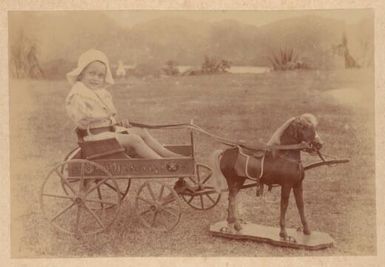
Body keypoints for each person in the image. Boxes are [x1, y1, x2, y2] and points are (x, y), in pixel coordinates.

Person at [65, 49, 182, 159]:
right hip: (94, 137)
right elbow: (82, 119)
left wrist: (115, 122)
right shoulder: (78, 95)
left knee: (141, 131)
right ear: (81, 74)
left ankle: (166, 154)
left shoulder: (100, 93)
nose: (96, 78)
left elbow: (108, 116)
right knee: (133, 139)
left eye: (100, 75)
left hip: (106, 132)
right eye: (92, 73)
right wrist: (108, 119)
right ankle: (160, 162)